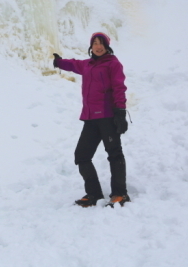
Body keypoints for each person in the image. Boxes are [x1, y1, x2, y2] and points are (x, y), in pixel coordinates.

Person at [53, 32, 131, 208]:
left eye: (101, 43)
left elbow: (119, 88)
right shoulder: (87, 65)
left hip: (108, 117)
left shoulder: (113, 64)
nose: (98, 46)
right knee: (82, 156)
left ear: (107, 45)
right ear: (91, 46)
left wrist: (120, 112)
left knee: (114, 154)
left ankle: (120, 194)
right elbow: (73, 64)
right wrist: (59, 62)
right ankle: (94, 194)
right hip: (90, 118)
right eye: (95, 43)